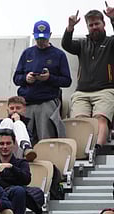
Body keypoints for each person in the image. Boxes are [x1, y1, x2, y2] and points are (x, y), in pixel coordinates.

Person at [62, 6, 114, 148]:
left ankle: (97, 149)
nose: (94, 27)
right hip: (82, 92)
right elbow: (66, 44)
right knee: (79, 122)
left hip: (105, 90)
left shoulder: (111, 42)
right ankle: (79, 152)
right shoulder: (82, 44)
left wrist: (113, 18)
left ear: (104, 24)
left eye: (97, 23)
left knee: (100, 119)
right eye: (90, 25)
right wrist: (70, 28)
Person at [14, 20, 71, 144]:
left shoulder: (58, 54)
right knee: (24, 138)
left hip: (47, 101)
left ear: (50, 35)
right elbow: (16, 78)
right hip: (27, 101)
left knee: (46, 138)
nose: (41, 41)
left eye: (44, 38)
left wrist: (49, 78)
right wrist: (26, 78)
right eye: (38, 38)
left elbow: (67, 81)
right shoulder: (27, 53)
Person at [0, 96, 36, 161]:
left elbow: (32, 140)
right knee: (7, 121)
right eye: (12, 108)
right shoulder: (0, 123)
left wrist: (18, 121)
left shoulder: (28, 124)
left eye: (18, 108)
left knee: (19, 124)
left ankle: (26, 147)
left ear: (24, 110)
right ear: (8, 110)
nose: (14, 110)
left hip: (16, 155)